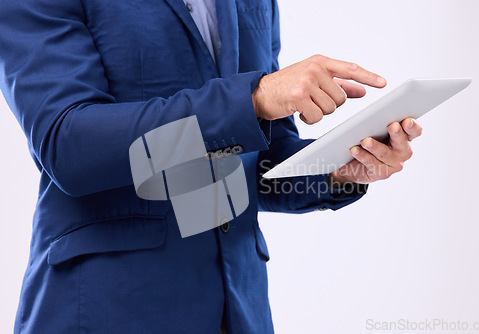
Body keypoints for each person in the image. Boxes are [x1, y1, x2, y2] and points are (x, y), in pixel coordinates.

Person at [0, 0, 422, 333]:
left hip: (241, 311)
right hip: (110, 308)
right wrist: (252, 99)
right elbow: (69, 148)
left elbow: (247, 160)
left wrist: (336, 170)